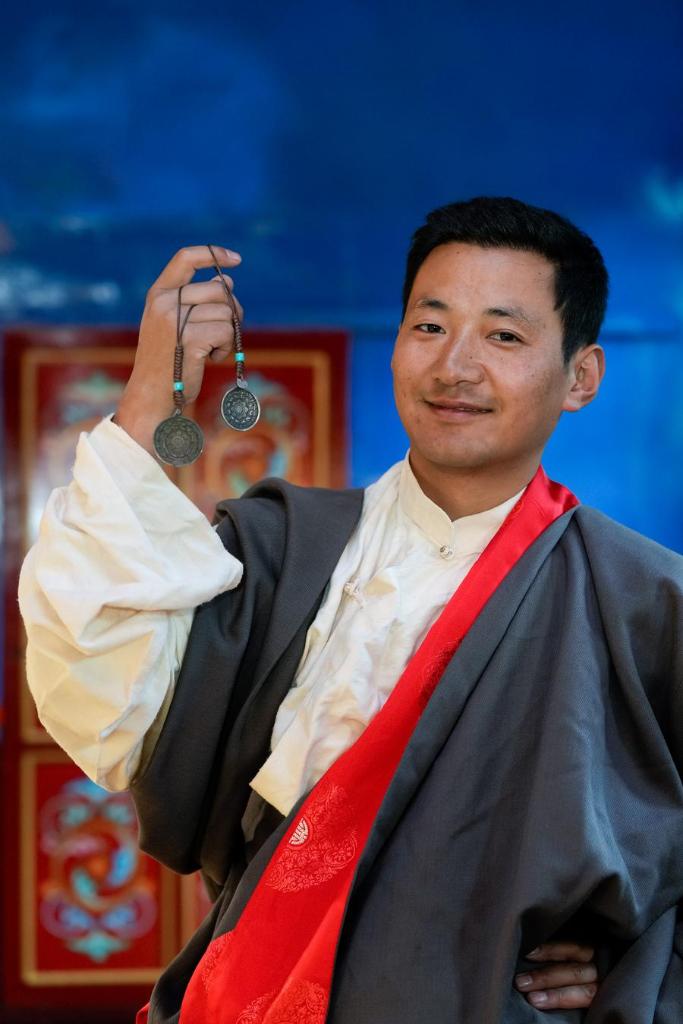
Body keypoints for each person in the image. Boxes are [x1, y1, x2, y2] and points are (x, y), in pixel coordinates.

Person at [19, 197, 683, 1023]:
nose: (454, 367)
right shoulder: (280, 549)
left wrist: (639, 965)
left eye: (503, 337)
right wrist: (157, 385)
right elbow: (103, 683)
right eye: (429, 326)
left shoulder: (642, 598)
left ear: (579, 377)